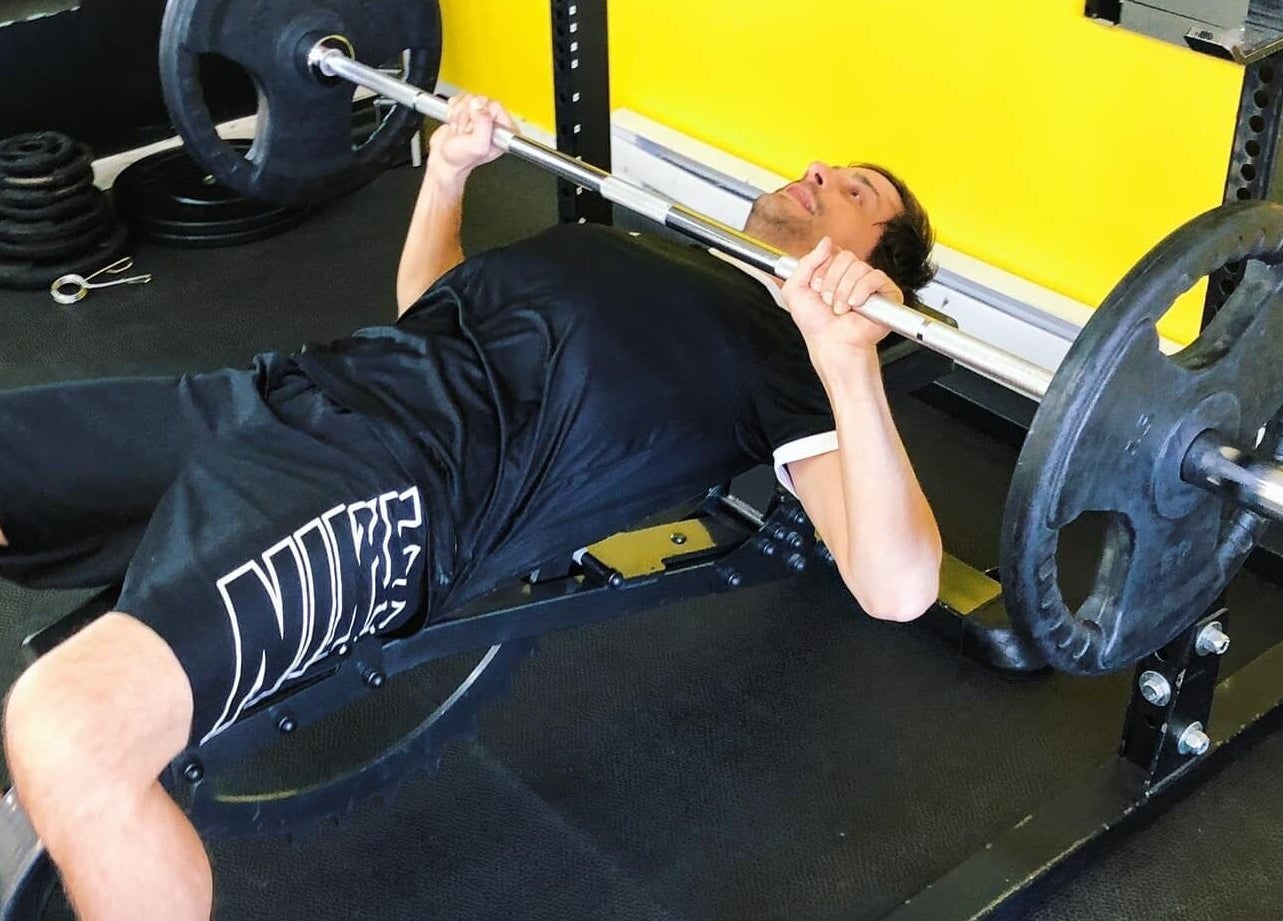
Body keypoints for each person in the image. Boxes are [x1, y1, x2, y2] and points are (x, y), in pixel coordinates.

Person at [0, 95, 941, 921]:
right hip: (282, 392)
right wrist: (445, 173)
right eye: (828, 166)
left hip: (390, 486)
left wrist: (849, 357)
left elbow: (896, 588)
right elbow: (430, 310)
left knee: (71, 727)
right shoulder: (627, 243)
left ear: (871, 268)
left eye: (855, 191)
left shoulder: (790, 365)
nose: (818, 171)